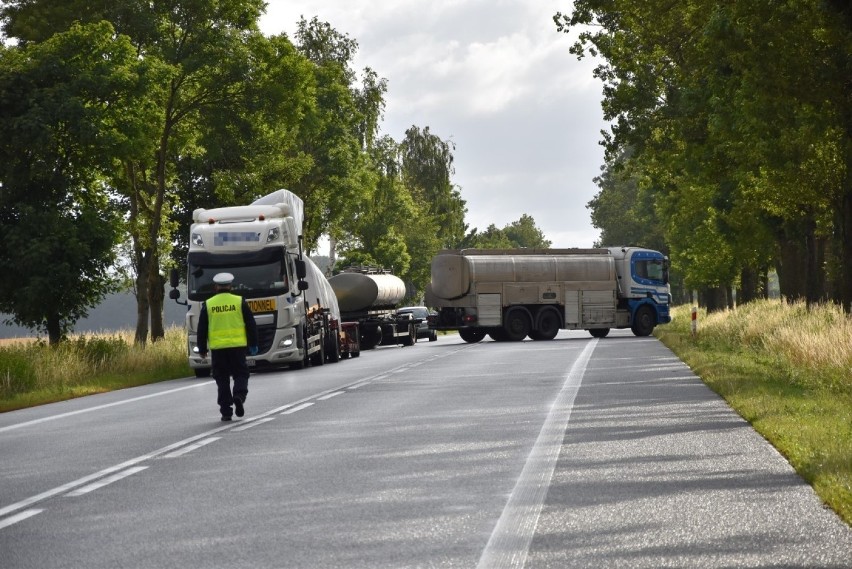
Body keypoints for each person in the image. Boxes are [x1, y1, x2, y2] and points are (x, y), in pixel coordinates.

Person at [197, 272, 259, 421]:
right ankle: (238, 395)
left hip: (218, 348)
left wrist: (202, 348)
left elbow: (202, 328)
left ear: (216, 286)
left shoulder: (209, 304)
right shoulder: (239, 301)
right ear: (230, 286)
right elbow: (251, 324)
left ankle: (226, 411)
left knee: (222, 378)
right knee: (241, 374)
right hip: (237, 346)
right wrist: (254, 343)